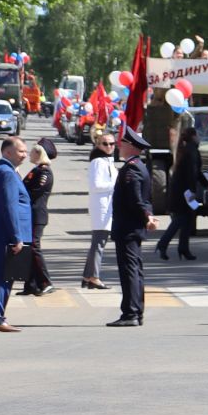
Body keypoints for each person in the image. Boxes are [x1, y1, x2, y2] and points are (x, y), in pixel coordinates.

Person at [108, 125, 158, 327]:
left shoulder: (132, 168)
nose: (119, 145)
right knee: (135, 269)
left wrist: (147, 216)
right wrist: (148, 215)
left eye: (122, 142)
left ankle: (131, 313)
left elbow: (136, 199)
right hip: (132, 226)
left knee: (130, 270)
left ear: (130, 146)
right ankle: (136, 312)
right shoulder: (139, 166)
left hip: (128, 227)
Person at [0, 136, 33, 332]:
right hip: (6, 235)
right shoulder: (7, 173)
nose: (24, 155)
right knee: (2, 277)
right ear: (7, 152)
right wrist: (16, 237)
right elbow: (9, 207)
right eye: (21, 151)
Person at [157, 128, 204, 261]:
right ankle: (163, 244)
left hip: (182, 191)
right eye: (198, 135)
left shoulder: (188, 149)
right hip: (184, 192)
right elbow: (191, 174)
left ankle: (183, 248)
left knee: (187, 220)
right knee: (180, 220)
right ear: (194, 136)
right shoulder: (191, 151)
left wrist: (206, 184)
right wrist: (191, 193)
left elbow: (197, 172)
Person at [18, 140, 54, 296]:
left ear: (40, 154)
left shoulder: (44, 172)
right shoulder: (36, 170)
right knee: (28, 248)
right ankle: (31, 284)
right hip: (30, 214)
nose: (28, 154)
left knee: (34, 247)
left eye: (32, 152)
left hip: (37, 214)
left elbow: (33, 193)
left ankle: (45, 281)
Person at [83, 130, 117, 289]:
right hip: (101, 207)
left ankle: (88, 276)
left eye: (112, 143)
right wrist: (117, 186)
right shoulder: (98, 162)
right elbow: (96, 185)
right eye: (105, 143)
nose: (109, 146)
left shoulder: (107, 160)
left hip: (107, 206)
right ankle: (94, 277)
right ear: (98, 145)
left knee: (98, 242)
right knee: (99, 242)